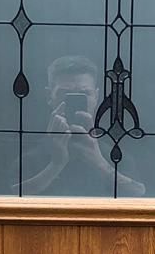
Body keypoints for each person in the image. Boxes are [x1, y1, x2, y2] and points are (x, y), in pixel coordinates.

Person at [23, 54, 145, 197]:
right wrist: (56, 164)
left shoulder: (117, 155)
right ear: (49, 96)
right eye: (66, 94)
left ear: (96, 97)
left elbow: (139, 195)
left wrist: (99, 161)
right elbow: (10, 198)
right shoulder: (28, 154)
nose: (74, 100)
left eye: (84, 93)